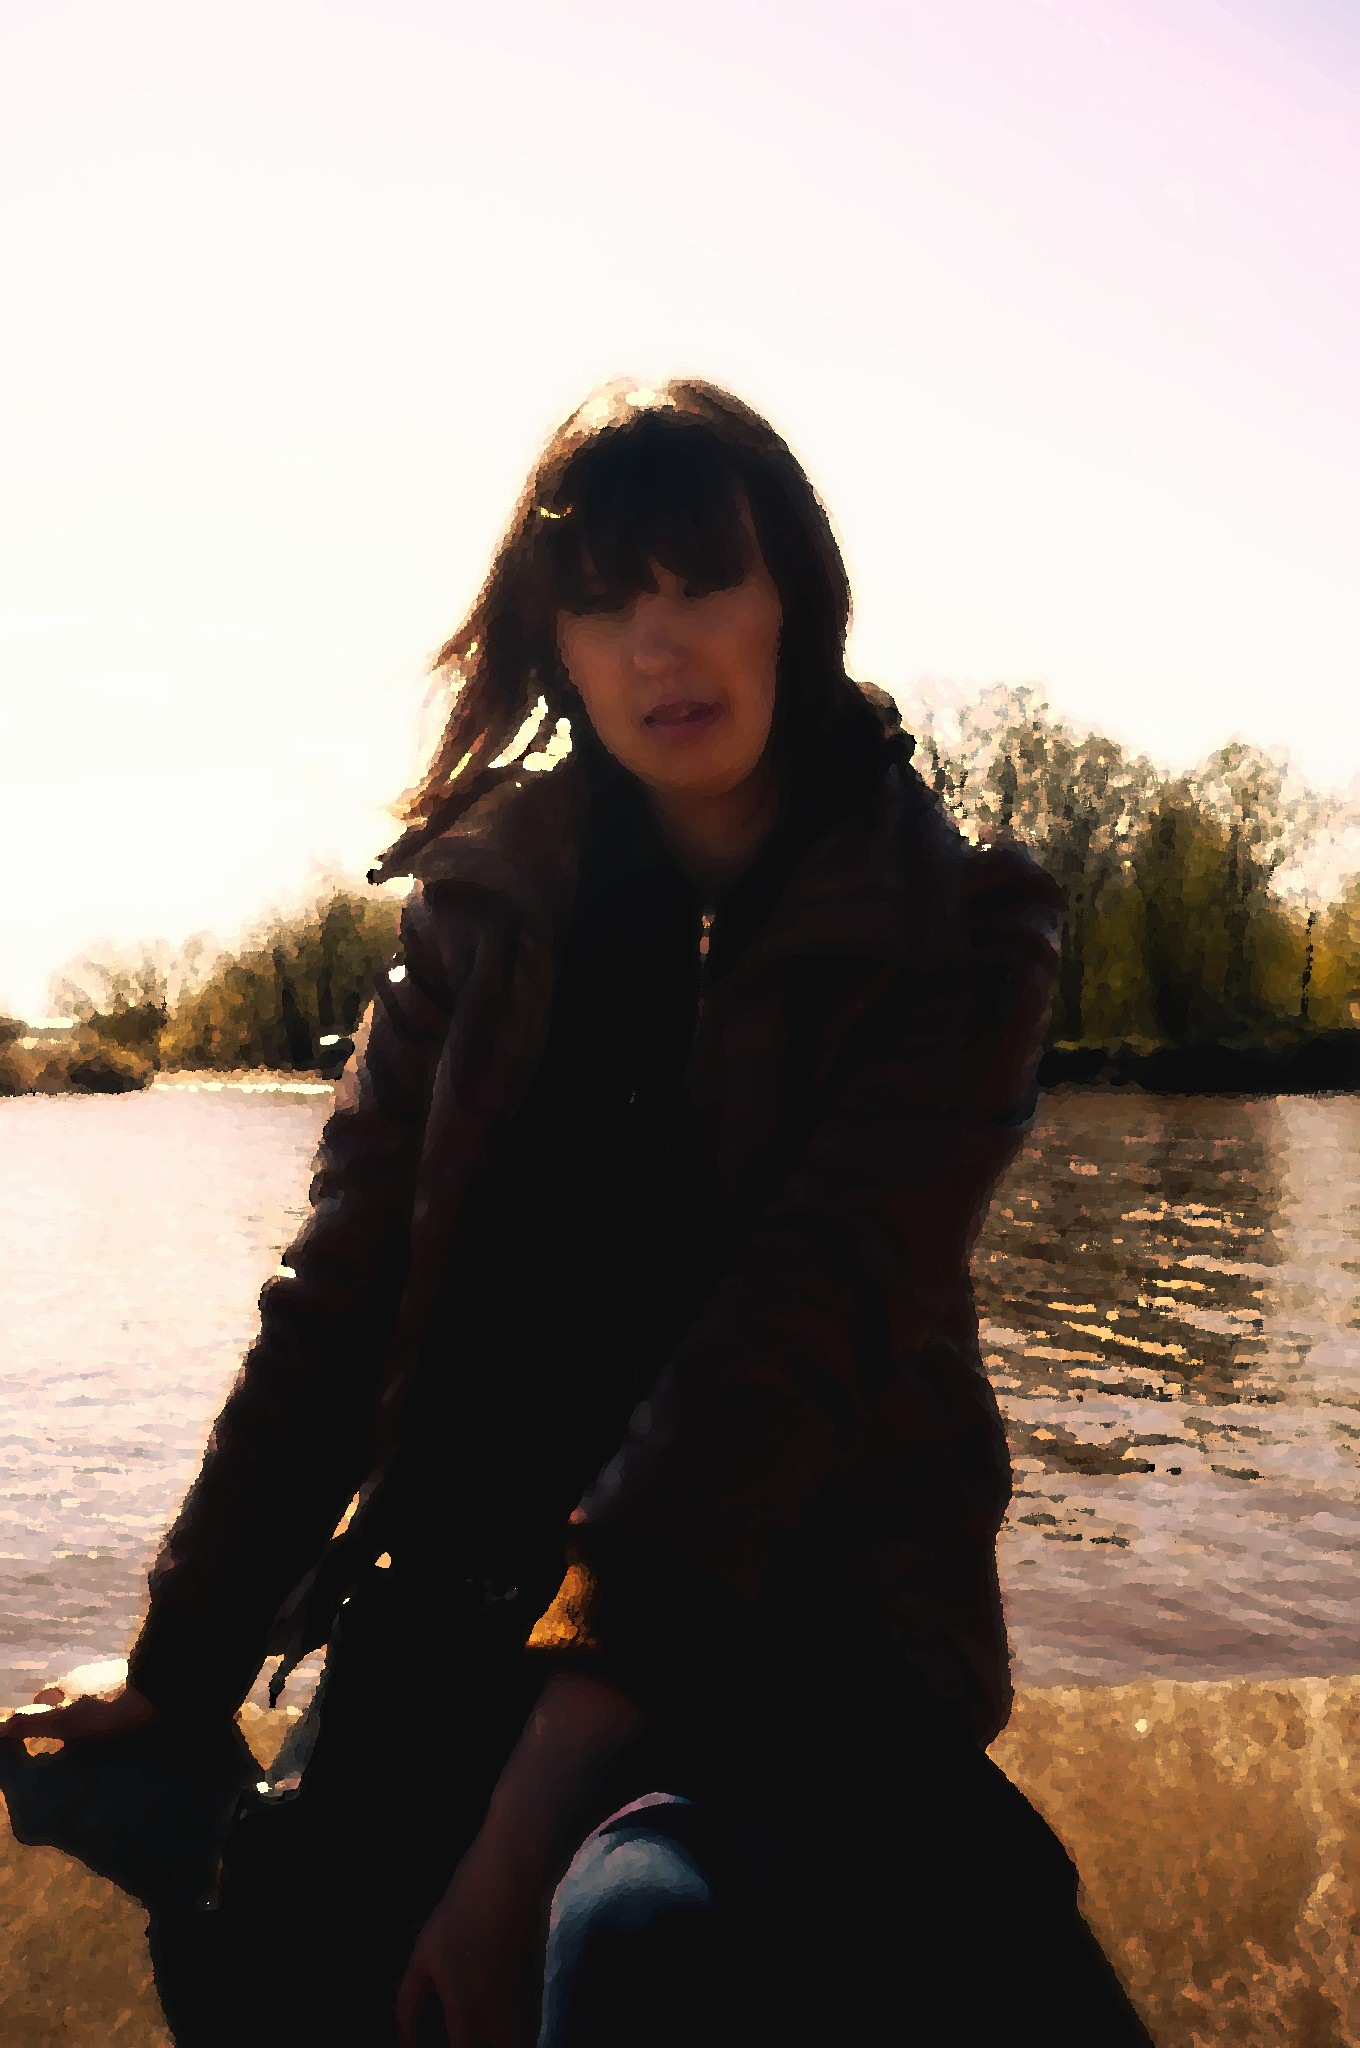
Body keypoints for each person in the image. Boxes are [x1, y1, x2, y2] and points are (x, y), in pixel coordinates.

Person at [0, 379, 1155, 2046]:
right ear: (557, 644)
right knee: (240, 1917)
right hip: (462, 1596)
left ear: (793, 597)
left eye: (702, 581)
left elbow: (773, 1370)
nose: (657, 645)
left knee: (636, 1941)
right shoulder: (482, 908)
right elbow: (331, 1305)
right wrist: (181, 1663)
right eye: (605, 602)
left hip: (789, 1626)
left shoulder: (955, 925)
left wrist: (520, 1838)